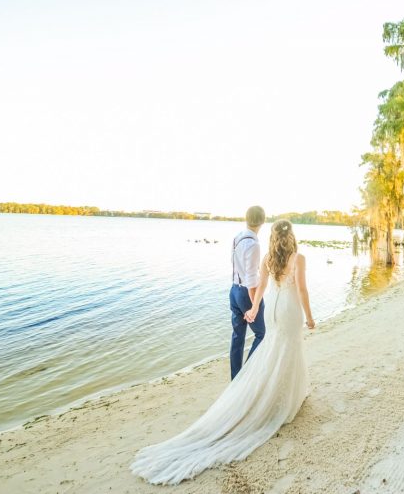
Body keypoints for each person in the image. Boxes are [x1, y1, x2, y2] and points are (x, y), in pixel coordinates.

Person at [130, 219, 316, 485]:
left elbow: (261, 288)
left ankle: (274, 389)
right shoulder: (299, 258)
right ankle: (284, 398)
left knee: (275, 347)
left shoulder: (267, 258)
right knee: (289, 348)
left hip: (274, 308)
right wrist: (309, 317)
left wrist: (253, 309)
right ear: (292, 235)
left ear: (274, 236)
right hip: (288, 308)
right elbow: (302, 290)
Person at [229, 205, 266, 379]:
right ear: (263, 221)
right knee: (262, 334)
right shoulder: (253, 244)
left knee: (238, 336)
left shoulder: (237, 237)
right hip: (246, 294)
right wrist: (255, 305)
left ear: (246, 218)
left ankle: (235, 377)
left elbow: (236, 266)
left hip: (234, 290)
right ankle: (246, 376)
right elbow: (251, 279)